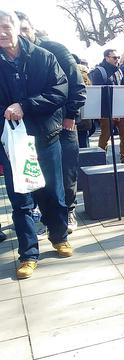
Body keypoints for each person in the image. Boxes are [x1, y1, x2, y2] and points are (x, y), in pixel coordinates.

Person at [0, 8, 74, 279]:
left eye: (6, 27)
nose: (2, 33)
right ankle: (28, 253)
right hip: (13, 144)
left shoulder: (43, 57)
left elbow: (60, 90)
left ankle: (59, 236)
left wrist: (25, 105)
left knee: (53, 193)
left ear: (18, 27)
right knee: (21, 200)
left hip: (45, 137)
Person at [18, 12, 87, 233]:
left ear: (32, 28)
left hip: (63, 124)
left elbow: (76, 83)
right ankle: (49, 218)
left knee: (66, 172)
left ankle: (68, 211)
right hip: (33, 128)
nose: (21, 36)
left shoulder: (53, 50)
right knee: (40, 175)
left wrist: (71, 115)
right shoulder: (11, 57)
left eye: (24, 30)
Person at [90, 49, 124, 163]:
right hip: (107, 110)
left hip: (120, 108)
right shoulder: (99, 71)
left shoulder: (118, 70)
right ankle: (100, 159)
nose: (117, 59)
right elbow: (97, 92)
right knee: (105, 136)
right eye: (114, 57)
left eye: (118, 57)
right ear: (106, 57)